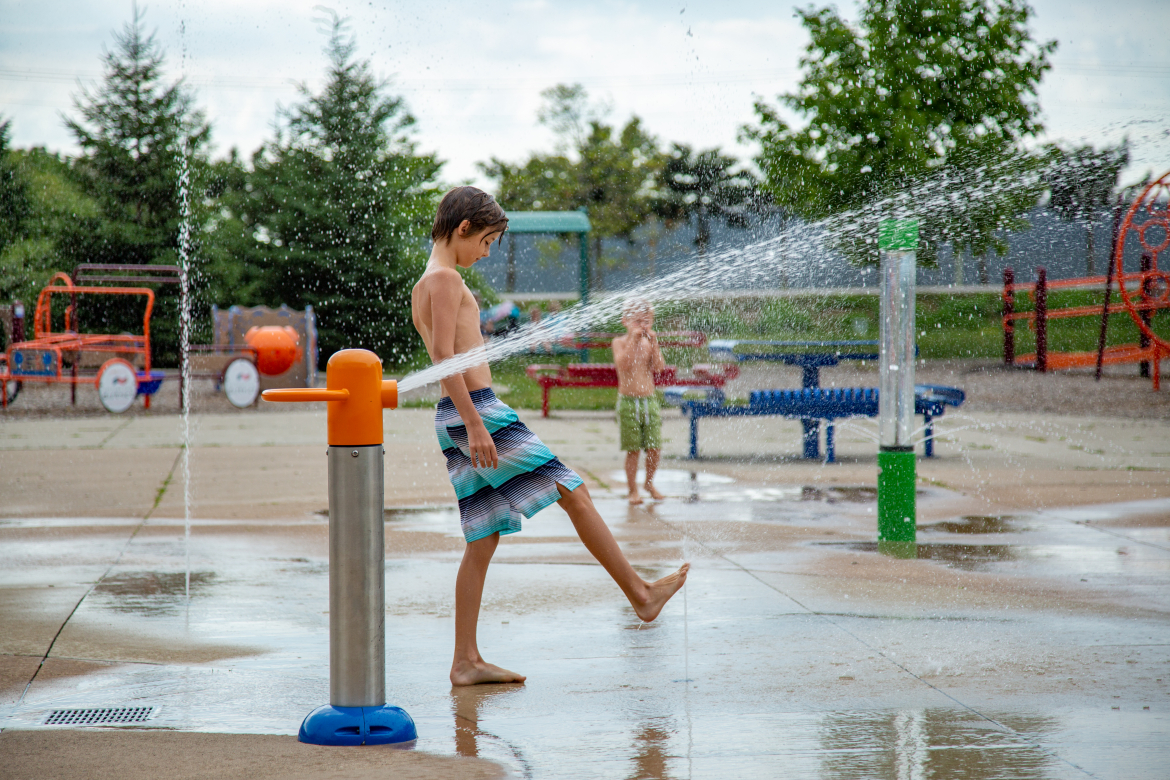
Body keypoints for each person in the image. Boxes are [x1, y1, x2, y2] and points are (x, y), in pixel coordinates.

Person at [411, 186, 688, 686]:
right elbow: (446, 359)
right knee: (573, 490)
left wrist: (465, 417)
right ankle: (641, 596)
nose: (488, 253)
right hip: (476, 412)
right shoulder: (446, 279)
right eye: (488, 242)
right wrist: (475, 422)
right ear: (464, 228)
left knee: (482, 537)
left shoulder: (426, 282)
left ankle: (465, 661)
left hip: (457, 412)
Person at [611, 299, 667, 505]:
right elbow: (623, 365)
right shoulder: (619, 342)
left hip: (649, 400)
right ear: (625, 321)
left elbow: (659, 367)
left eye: (646, 321)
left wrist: (654, 342)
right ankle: (632, 489)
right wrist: (634, 340)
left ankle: (649, 483)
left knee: (654, 447)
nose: (642, 326)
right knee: (633, 449)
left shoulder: (648, 343)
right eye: (637, 321)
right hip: (627, 402)